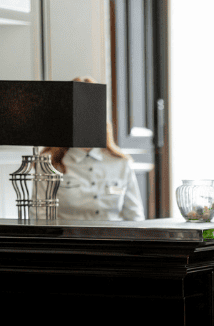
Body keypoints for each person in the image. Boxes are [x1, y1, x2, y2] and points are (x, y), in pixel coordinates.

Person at [40, 77, 145, 221]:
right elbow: (40, 217)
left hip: (113, 236)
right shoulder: (49, 164)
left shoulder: (121, 163)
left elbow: (135, 217)